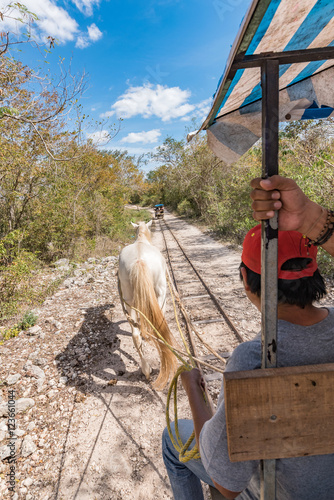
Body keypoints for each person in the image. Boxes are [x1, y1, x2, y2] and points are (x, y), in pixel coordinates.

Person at [162, 175, 334, 499]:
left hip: (280, 493)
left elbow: (227, 483)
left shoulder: (252, 359)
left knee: (172, 439)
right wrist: (311, 217)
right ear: (316, 273)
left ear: (245, 279)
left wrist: (193, 391)